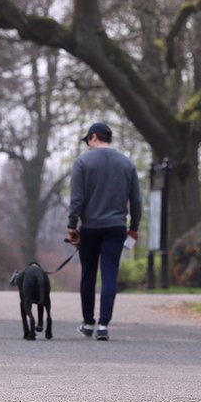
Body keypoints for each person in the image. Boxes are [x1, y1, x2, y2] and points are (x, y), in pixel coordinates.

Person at [66, 122, 142, 341]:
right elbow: (136, 201)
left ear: (94, 137)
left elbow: (77, 199)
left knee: (88, 273)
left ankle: (88, 323)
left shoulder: (82, 162)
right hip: (116, 228)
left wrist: (72, 226)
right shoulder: (127, 164)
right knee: (109, 273)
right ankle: (103, 325)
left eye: (88, 140)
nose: (88, 145)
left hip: (90, 227)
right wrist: (134, 228)